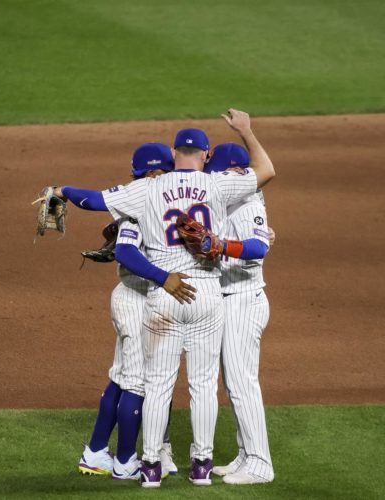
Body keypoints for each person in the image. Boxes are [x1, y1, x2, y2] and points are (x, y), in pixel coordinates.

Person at [55, 108, 275, 487]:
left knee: (156, 384)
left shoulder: (148, 188)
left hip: (165, 292)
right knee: (204, 384)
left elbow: (92, 200)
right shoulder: (219, 184)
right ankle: (202, 467)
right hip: (207, 293)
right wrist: (247, 132)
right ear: (206, 156)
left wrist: (61, 191)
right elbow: (266, 172)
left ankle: (152, 466)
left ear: (173, 154)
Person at [77, 143, 183, 480]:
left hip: (130, 296)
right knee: (136, 383)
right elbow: (124, 250)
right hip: (137, 299)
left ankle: (94, 452)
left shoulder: (140, 196)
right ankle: (125, 462)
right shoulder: (144, 201)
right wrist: (163, 276)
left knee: (121, 378)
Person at [204, 143, 275, 484]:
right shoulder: (230, 200)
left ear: (232, 172)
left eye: (215, 173)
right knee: (234, 385)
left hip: (243, 301)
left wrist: (221, 245)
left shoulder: (246, 203)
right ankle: (246, 454)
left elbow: (258, 248)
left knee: (242, 384)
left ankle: (261, 463)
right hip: (230, 298)